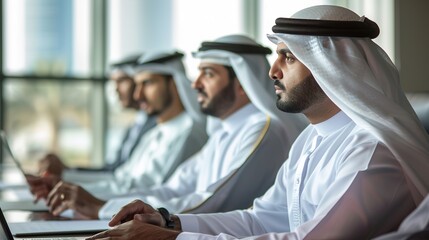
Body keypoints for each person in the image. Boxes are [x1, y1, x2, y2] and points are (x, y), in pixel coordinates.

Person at [86, 5, 429, 240]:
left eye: (289, 57)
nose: (272, 71)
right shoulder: (310, 140)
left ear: (333, 67)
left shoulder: (372, 151)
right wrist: (169, 221)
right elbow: (261, 218)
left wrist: (173, 238)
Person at [44, 34, 306, 220]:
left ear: (242, 84)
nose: (196, 84)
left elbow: (211, 202)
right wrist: (105, 205)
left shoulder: (263, 130)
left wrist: (102, 208)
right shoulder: (225, 132)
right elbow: (173, 188)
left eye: (209, 74)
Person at [27, 50, 208, 219]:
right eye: (137, 85)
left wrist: (96, 203)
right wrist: (66, 186)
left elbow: (151, 192)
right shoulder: (154, 134)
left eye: (148, 83)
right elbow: (121, 180)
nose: (138, 95)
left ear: (175, 84)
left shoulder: (191, 134)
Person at [37, 54, 157, 181]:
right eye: (114, 82)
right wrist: (66, 170)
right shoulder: (135, 126)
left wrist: (67, 174)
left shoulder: (156, 127)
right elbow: (111, 170)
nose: (116, 89)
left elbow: (125, 180)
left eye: (122, 81)